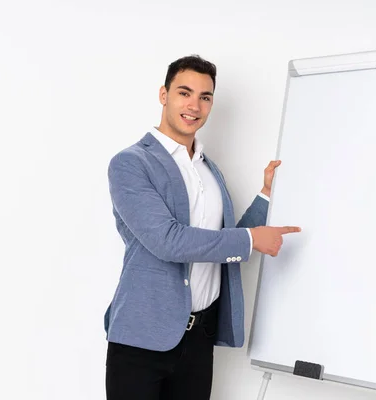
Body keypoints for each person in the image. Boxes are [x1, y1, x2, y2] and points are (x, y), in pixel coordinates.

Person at [103, 54, 301, 400]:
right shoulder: (131, 164)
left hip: (197, 339)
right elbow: (167, 241)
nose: (194, 105)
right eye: (184, 92)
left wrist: (266, 193)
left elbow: (221, 244)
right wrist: (252, 239)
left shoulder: (209, 170)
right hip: (141, 338)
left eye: (205, 97)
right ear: (164, 94)